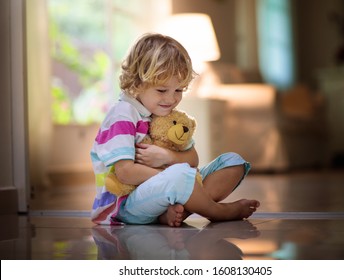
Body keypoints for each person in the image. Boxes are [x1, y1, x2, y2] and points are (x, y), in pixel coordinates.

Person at [90, 33, 260, 227]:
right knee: (180, 176)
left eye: (178, 90)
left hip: (166, 189)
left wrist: (167, 157)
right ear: (137, 83)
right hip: (125, 206)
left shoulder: (163, 112)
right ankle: (217, 211)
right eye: (162, 90)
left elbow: (193, 159)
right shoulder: (122, 115)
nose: (171, 100)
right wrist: (174, 177)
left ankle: (179, 210)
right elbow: (125, 173)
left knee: (233, 162)